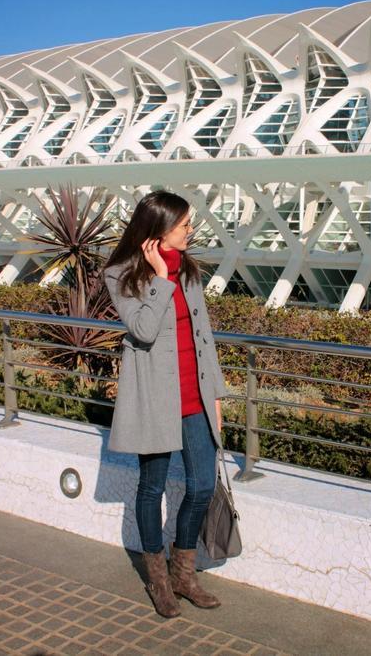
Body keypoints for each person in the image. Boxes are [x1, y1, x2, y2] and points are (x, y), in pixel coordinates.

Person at [104, 190, 228, 619]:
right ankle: (157, 579)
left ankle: (183, 572)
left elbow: (204, 336)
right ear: (158, 231)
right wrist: (159, 276)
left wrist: (215, 394)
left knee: (202, 486)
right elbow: (142, 328)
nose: (190, 231)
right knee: (151, 487)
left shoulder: (190, 269)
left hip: (194, 394)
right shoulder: (121, 273)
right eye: (184, 226)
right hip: (155, 398)